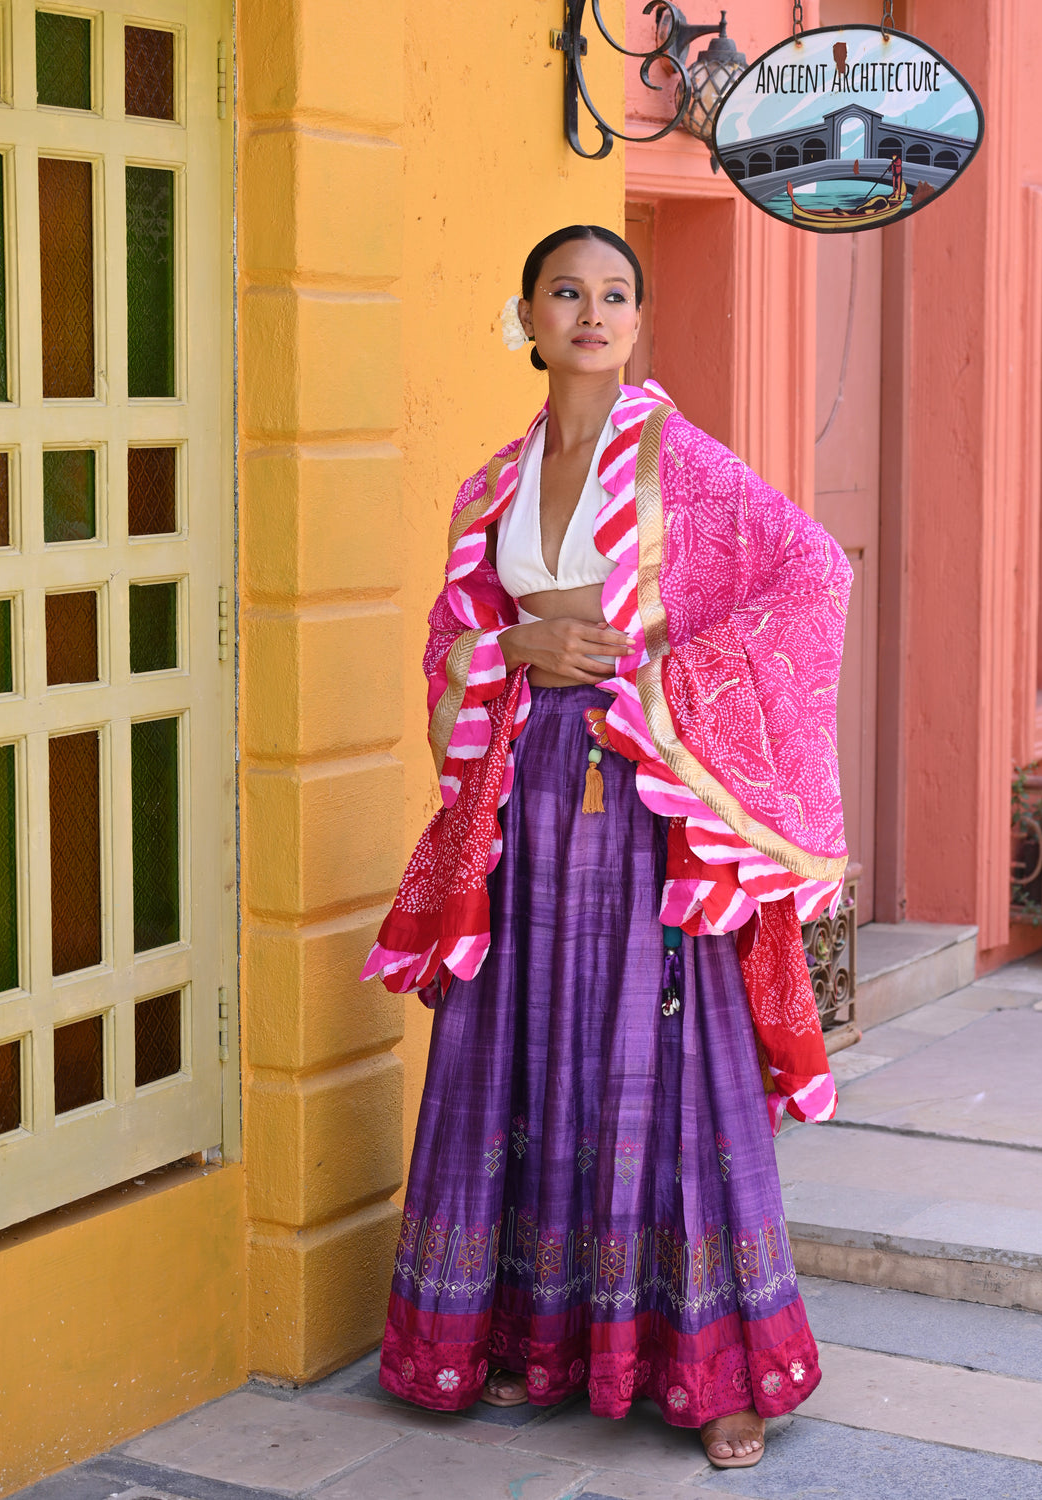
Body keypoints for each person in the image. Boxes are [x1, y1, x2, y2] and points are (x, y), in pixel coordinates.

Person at [363, 224, 851, 1470]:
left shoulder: (680, 463)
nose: (593, 312)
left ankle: (715, 1365)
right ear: (524, 315)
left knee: (666, 1057)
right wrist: (521, 649)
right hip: (524, 788)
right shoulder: (492, 487)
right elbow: (452, 640)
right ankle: (539, 1335)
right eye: (567, 293)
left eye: (616, 294)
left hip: (648, 787)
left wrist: (656, 671)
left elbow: (809, 574)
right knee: (526, 1041)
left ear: (638, 319)